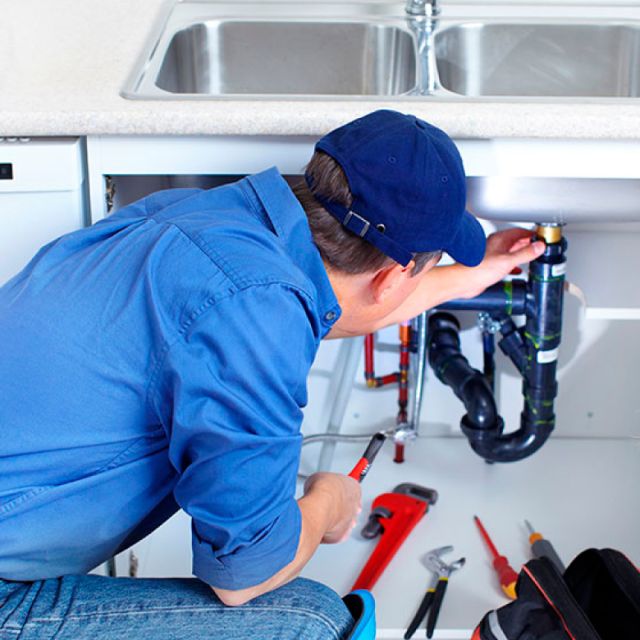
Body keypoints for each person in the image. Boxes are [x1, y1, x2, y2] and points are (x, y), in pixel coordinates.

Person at [0, 110, 544, 639]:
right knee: (312, 623)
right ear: (394, 274)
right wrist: (330, 501)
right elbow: (247, 576)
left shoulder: (209, 221)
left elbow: (341, 303)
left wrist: (465, 278)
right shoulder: (255, 314)